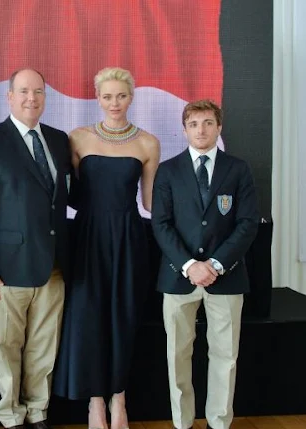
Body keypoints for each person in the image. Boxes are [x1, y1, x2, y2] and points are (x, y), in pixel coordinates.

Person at [52, 67, 161, 429]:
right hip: (87, 237)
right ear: (97, 98)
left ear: (131, 98)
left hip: (129, 238)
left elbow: (151, 203)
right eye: (107, 96)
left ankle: (119, 399)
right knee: (89, 318)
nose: (114, 103)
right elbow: (67, 193)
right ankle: (95, 402)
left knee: (123, 317)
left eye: (121, 96)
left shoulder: (148, 143)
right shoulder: (77, 138)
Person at [0, 68, 71, 429]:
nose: (31, 98)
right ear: (9, 96)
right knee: (7, 347)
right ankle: (10, 415)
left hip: (53, 265)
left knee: (44, 345)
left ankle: (38, 411)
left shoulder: (58, 140)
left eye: (38, 91)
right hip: (5, 269)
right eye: (24, 91)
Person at [151, 100, 259, 429]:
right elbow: (161, 224)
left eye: (208, 123)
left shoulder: (238, 169)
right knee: (177, 355)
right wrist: (189, 265)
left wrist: (214, 263)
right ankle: (182, 422)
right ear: (184, 129)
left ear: (219, 127)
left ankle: (219, 422)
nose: (201, 129)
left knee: (225, 356)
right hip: (178, 277)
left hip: (225, 277)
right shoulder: (168, 170)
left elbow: (247, 223)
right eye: (194, 123)